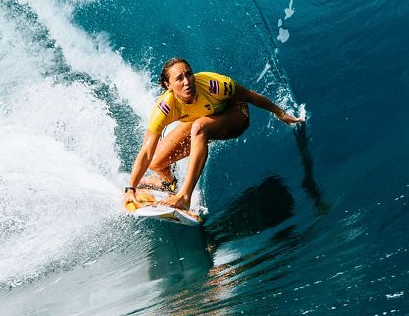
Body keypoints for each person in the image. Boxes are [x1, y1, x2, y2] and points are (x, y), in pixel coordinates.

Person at [124, 57, 304, 212]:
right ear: (168, 85)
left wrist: (280, 113)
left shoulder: (215, 85)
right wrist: (130, 188)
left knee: (199, 126)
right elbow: (146, 152)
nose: (187, 81)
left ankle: (184, 197)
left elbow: (250, 96)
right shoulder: (164, 109)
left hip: (235, 115)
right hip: (200, 121)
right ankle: (169, 188)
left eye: (189, 74)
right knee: (157, 162)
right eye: (179, 78)